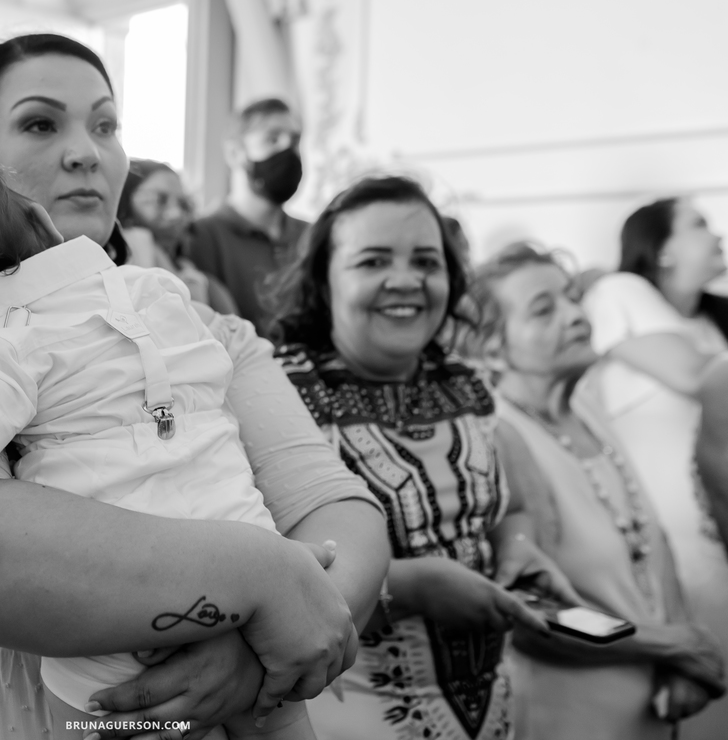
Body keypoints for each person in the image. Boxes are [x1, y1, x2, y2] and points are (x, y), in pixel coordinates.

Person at [0, 33, 389, 740]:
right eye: (42, 123)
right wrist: (264, 584)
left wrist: (261, 651)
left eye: (106, 125)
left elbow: (338, 512)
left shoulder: (182, 316)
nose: (87, 152)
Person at [268, 175, 578, 740]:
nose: (406, 280)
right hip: (344, 714)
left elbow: (511, 508)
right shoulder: (276, 392)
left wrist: (519, 551)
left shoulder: (467, 384)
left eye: (427, 262)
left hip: (493, 712)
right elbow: (266, 567)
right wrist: (408, 587)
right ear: (325, 280)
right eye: (373, 261)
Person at [468, 242, 725, 739]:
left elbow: (653, 549)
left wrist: (680, 651)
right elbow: (534, 611)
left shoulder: (586, 410)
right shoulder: (501, 436)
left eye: (570, 297)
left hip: (652, 710)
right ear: (493, 348)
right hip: (571, 717)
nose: (573, 315)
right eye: (544, 310)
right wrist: (668, 645)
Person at [582, 197, 728, 740]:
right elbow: (693, 376)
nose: (717, 236)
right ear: (662, 248)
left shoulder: (713, 323)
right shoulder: (620, 293)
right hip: (666, 558)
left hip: (716, 541)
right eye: (699, 225)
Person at [187, 98, 307, 331]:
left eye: (294, 141)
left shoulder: (311, 235)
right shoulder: (201, 235)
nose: (288, 150)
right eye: (272, 139)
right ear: (235, 153)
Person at [117, 158, 238, 315]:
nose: (176, 214)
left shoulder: (202, 284)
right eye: (159, 200)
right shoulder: (108, 272)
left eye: (183, 204)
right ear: (123, 200)